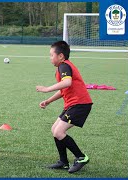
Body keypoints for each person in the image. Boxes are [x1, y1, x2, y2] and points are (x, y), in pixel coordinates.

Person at [36, 41, 93, 173]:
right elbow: (64, 90)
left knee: (58, 132)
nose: (50, 58)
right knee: (55, 129)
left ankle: (81, 157)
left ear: (60, 56)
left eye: (51, 55)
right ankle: (63, 162)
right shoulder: (63, 67)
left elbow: (67, 83)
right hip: (73, 104)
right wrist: (48, 101)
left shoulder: (64, 66)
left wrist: (46, 89)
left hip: (80, 104)